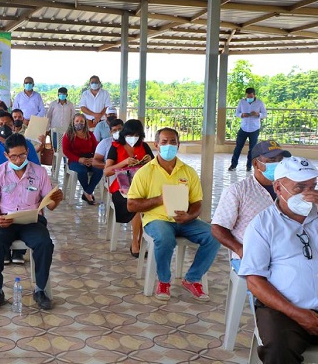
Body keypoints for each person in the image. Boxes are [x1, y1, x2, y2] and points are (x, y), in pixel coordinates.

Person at [239, 156, 318, 364]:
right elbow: (255, 281)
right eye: (300, 187)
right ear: (278, 188)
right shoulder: (262, 225)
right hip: (283, 309)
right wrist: (299, 314)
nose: (308, 195)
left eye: (313, 186)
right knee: (279, 351)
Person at [127, 127, 220, 301]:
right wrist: (159, 199)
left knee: (214, 235)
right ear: (156, 145)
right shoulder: (145, 172)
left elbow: (197, 202)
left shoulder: (188, 171)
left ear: (178, 145)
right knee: (164, 237)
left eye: (173, 142)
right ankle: (163, 281)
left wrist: (189, 216)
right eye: (164, 142)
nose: (168, 145)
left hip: (186, 220)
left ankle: (192, 278)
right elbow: (131, 205)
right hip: (157, 219)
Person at [0, 133, 64, 311]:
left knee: (45, 243)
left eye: (22, 155)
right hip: (6, 220)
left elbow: (49, 205)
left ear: (27, 152)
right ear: (6, 156)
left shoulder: (39, 172)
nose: (18, 159)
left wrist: (56, 199)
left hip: (31, 221)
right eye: (13, 156)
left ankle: (40, 289)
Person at [212, 140, 290, 272]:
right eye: (272, 160)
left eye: (280, 160)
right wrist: (240, 250)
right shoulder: (238, 191)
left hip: (284, 254)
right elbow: (217, 228)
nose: (278, 164)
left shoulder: (289, 189)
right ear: (256, 163)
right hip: (250, 256)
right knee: (272, 285)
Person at [0, 111, 41, 247]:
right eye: (0, 124)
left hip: (20, 183)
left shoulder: (26, 145)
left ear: (14, 126)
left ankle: (20, 247)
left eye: (8, 124)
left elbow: (36, 170)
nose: (4, 127)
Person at [103, 119, 152, 257]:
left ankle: (142, 239)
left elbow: (156, 167)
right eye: (130, 135)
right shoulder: (116, 147)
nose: (133, 138)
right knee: (136, 203)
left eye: (136, 135)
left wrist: (148, 163)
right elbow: (107, 171)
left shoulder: (144, 147)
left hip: (141, 185)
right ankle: (135, 242)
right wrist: (123, 163)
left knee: (148, 202)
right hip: (121, 187)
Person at [62, 113, 104, 205]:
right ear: (73, 122)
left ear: (85, 123)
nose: (79, 123)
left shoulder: (90, 135)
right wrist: (79, 159)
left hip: (90, 159)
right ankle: (88, 193)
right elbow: (66, 151)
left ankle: (87, 192)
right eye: (77, 121)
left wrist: (93, 159)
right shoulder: (68, 135)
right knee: (82, 171)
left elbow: (96, 149)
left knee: (99, 169)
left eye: (81, 121)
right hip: (75, 160)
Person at [228, 87, 267, 172]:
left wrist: (258, 114)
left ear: (254, 95)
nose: (249, 98)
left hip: (254, 128)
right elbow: (237, 113)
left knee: (252, 149)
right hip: (243, 127)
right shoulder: (242, 102)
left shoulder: (260, 103)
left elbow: (264, 114)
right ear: (246, 95)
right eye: (248, 97)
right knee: (238, 147)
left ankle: (249, 166)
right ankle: (233, 165)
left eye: (251, 97)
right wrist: (242, 115)